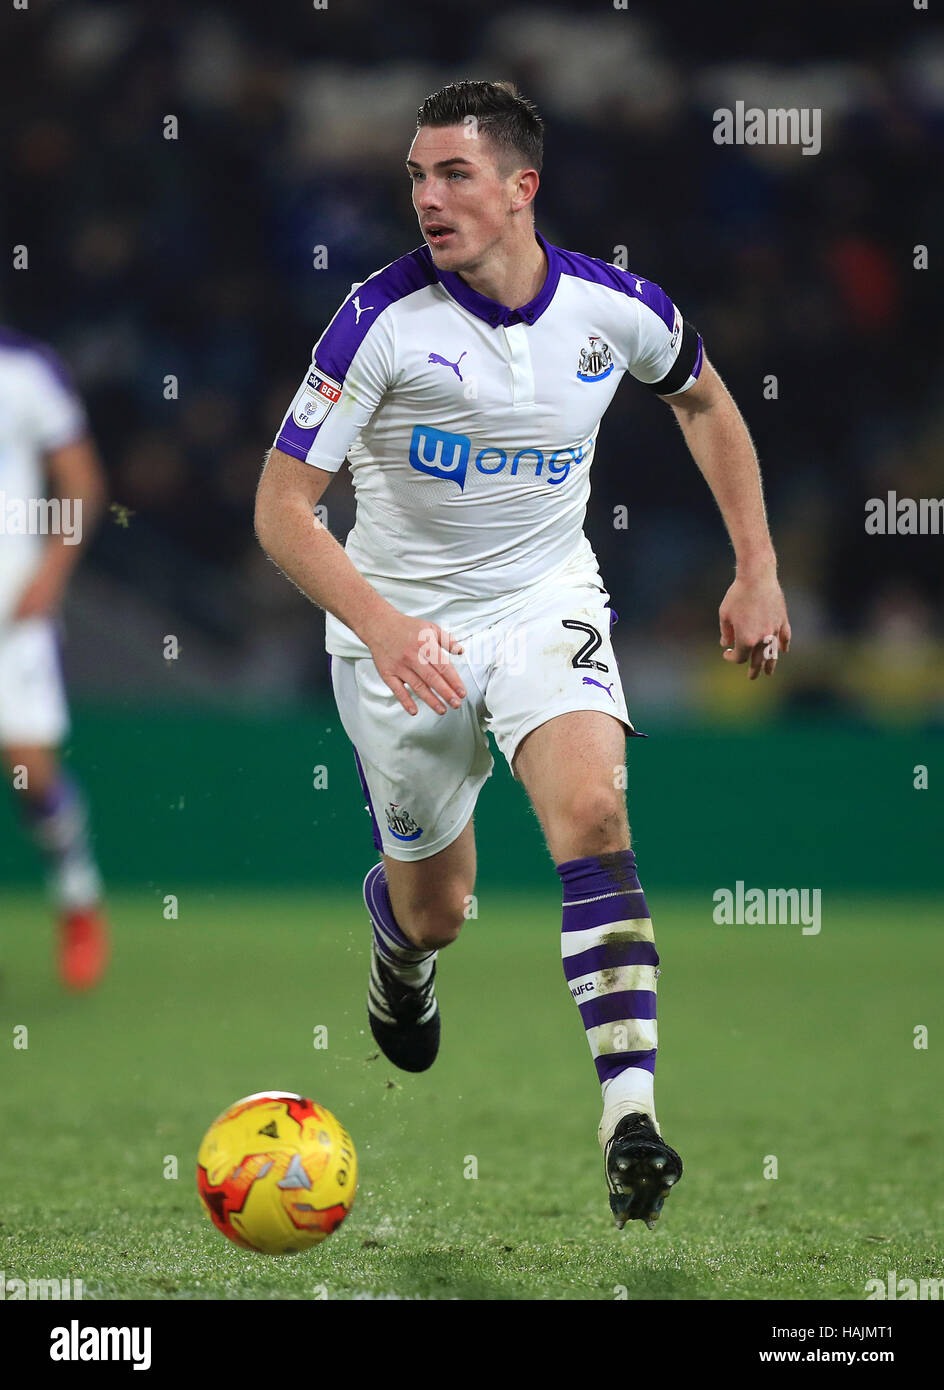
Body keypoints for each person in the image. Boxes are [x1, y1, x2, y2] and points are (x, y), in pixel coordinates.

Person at [255, 80, 791, 1229]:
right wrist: (385, 628)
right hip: (399, 627)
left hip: (546, 597)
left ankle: (629, 1113)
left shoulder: (613, 308)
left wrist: (755, 565)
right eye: (414, 176)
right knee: (438, 908)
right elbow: (281, 508)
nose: (427, 198)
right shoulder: (378, 318)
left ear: (518, 187)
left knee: (592, 811)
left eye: (451, 174)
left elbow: (703, 402)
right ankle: (398, 954)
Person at [0, 326, 109, 989]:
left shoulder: (25, 370)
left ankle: (77, 896)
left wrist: (52, 572)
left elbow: (81, 480)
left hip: (12, 611)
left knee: (30, 770)